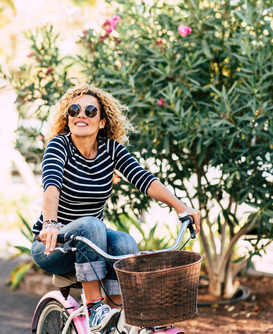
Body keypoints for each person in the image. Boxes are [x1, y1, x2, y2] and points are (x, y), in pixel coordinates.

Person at [31, 83, 201, 332]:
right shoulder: (59, 146)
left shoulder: (111, 150)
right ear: (67, 118)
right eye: (74, 109)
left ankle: (116, 318)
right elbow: (51, 186)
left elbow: (143, 178)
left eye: (90, 111)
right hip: (52, 244)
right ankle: (94, 308)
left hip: (91, 243)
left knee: (124, 242)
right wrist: (50, 224)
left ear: (101, 122)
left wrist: (182, 207)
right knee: (92, 224)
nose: (81, 114)